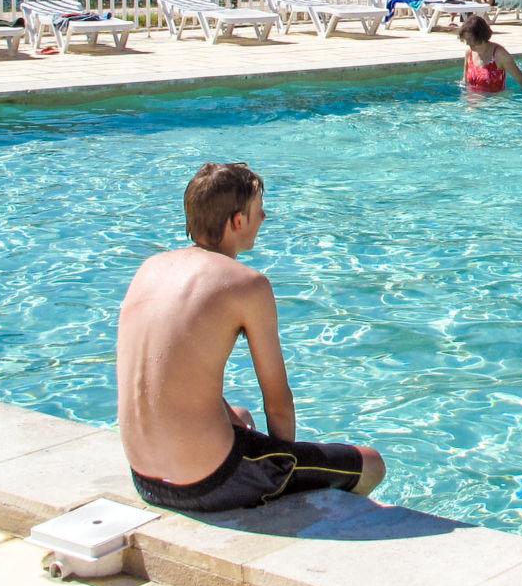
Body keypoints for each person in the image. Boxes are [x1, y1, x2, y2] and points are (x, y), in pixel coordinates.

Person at [117, 162, 386, 514]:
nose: (265, 217)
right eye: (259, 210)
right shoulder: (246, 284)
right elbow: (277, 402)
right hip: (207, 482)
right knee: (370, 463)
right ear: (237, 221)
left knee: (239, 416)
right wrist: (285, 466)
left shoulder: (151, 267)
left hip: (146, 479)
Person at [458, 14, 522, 93]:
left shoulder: (499, 54)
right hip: (472, 103)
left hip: (494, 102)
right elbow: (465, 81)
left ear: (481, 36)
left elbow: (521, 79)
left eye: (470, 39)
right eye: (465, 40)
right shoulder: (469, 53)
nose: (467, 43)